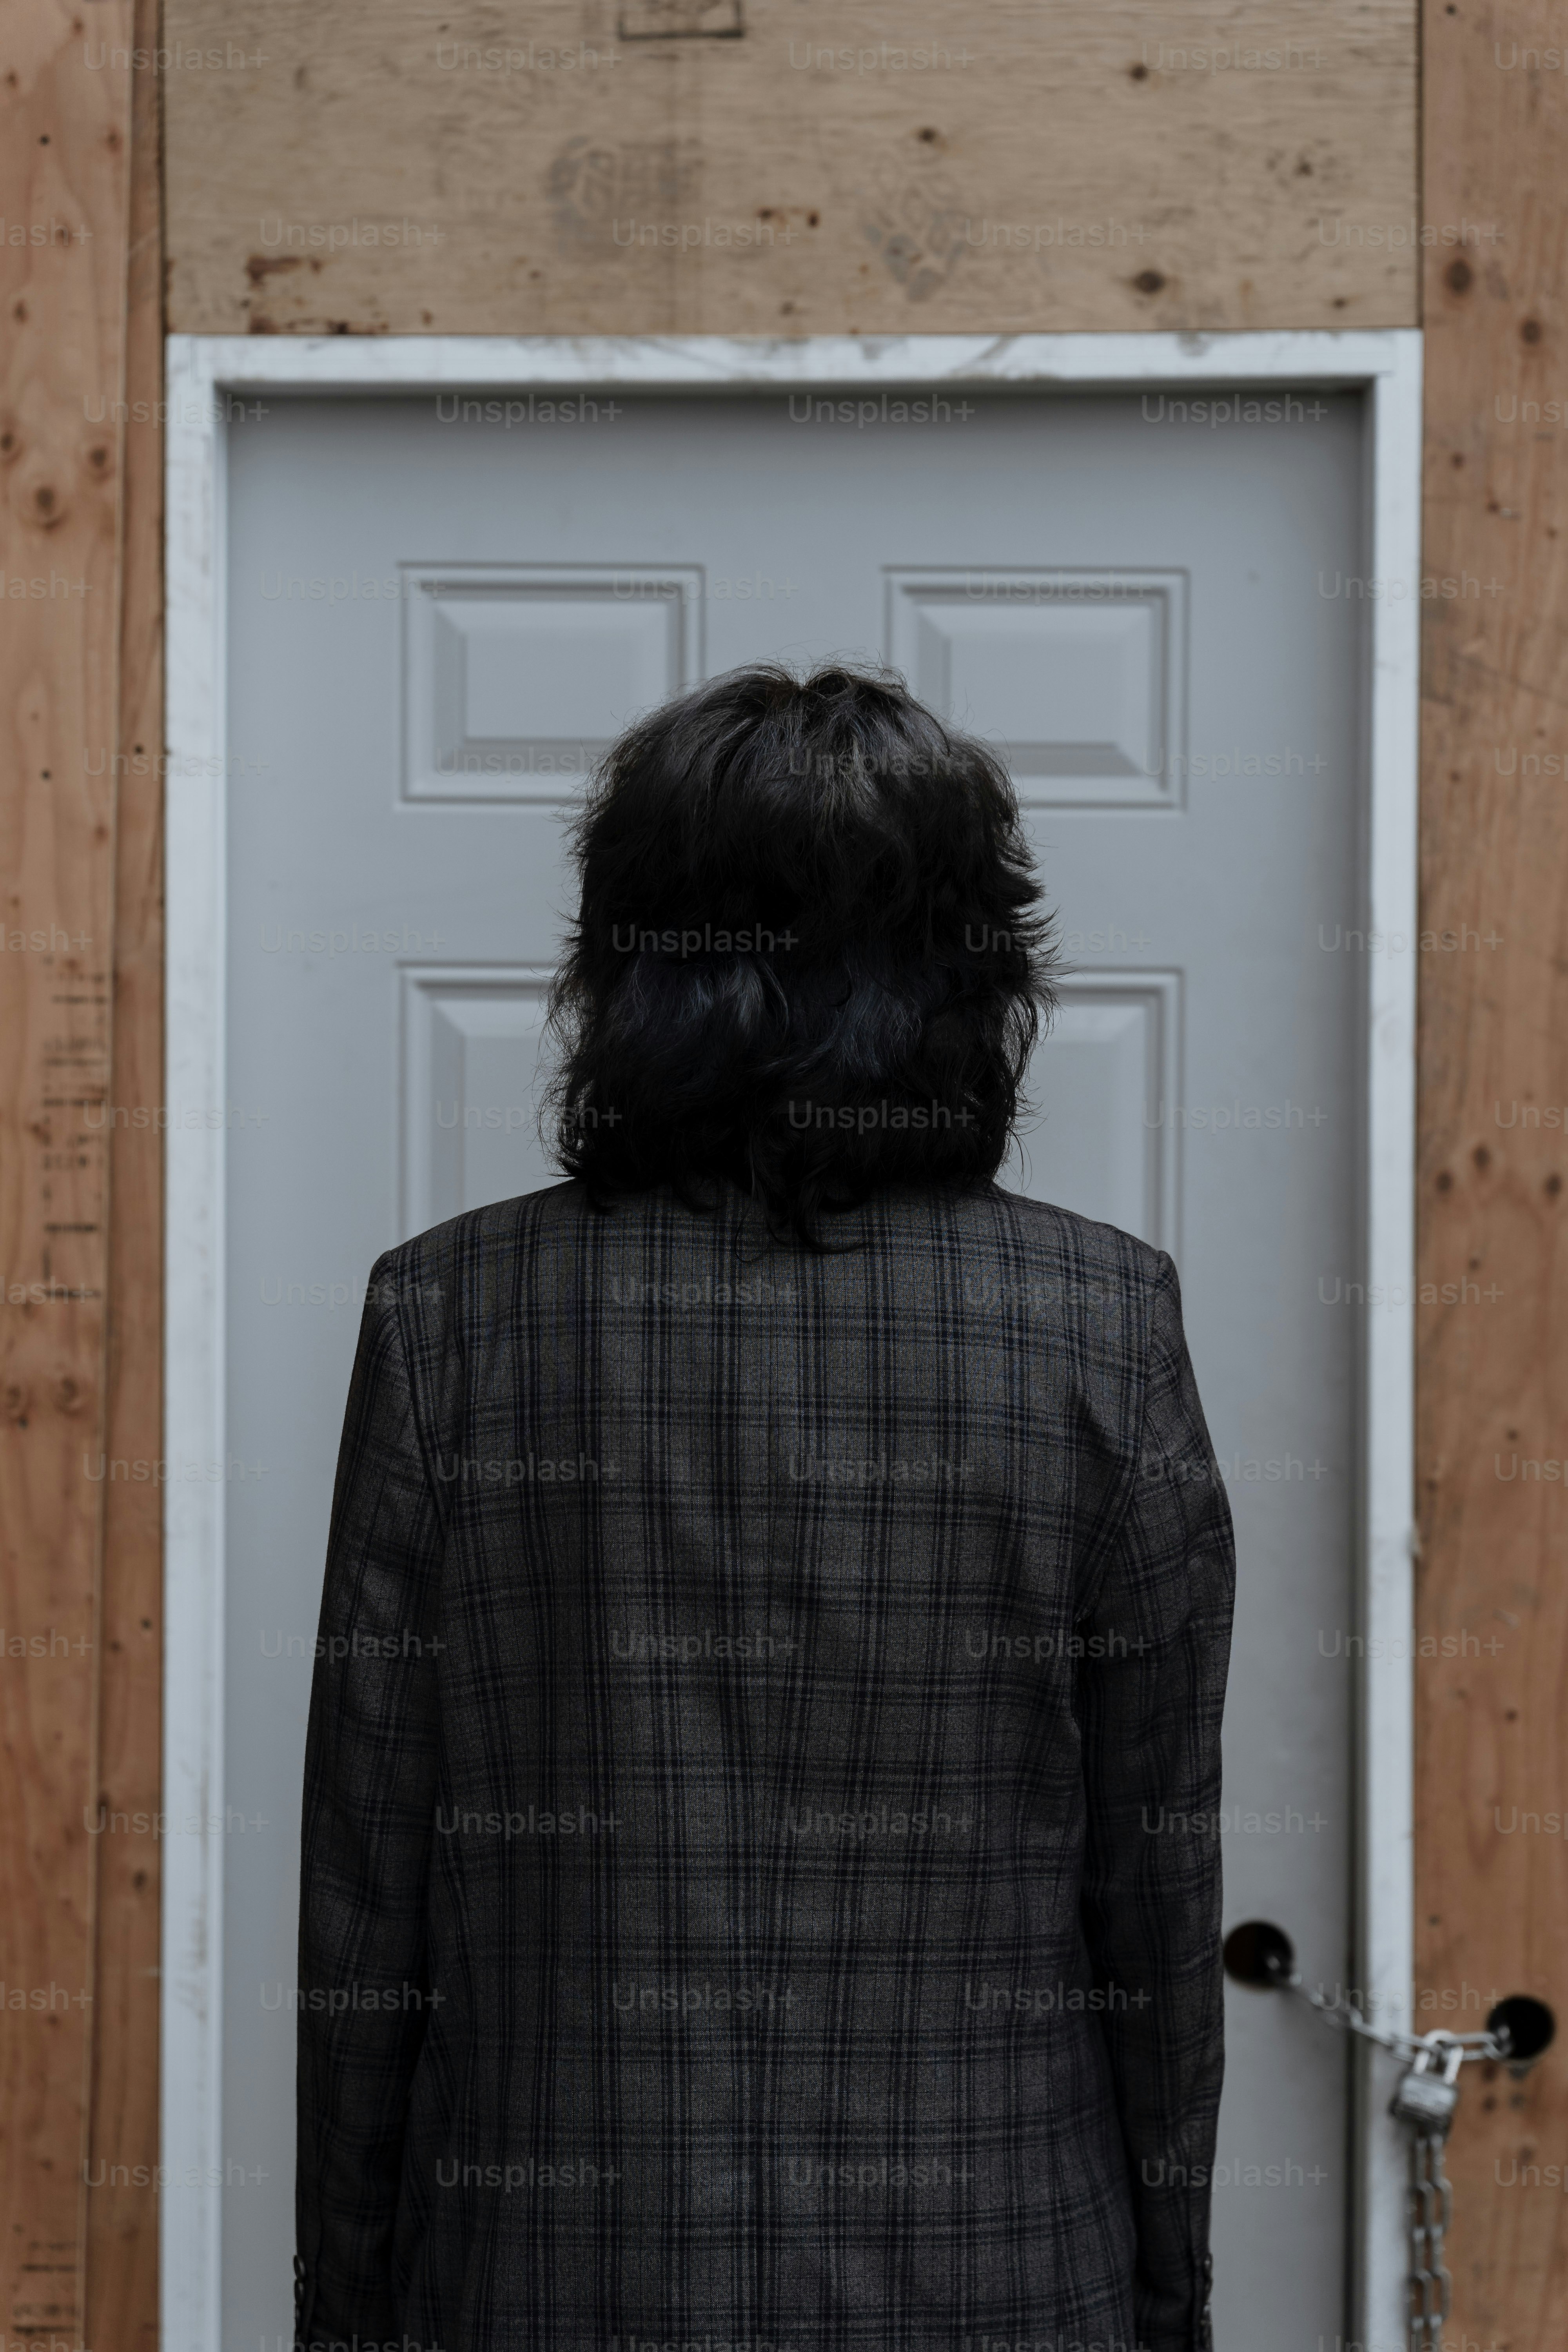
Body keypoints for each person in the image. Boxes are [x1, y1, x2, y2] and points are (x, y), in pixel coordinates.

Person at [294, 662, 1235, 2352]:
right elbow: (1154, 1897)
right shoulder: (1105, 1325)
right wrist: (1168, 2302)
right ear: (974, 967)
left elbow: (368, 1899)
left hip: (556, 2282)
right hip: (1003, 2278)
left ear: (629, 961)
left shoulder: (450, 1318)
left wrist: (346, 2310)